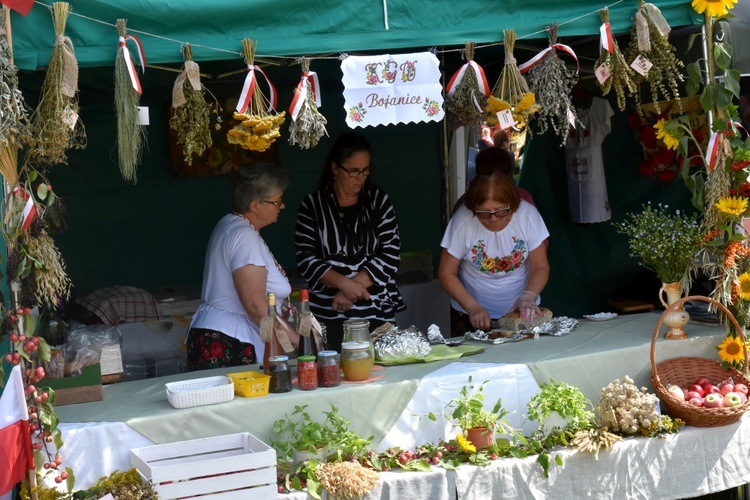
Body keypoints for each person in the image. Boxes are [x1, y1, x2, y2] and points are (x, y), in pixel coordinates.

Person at [295, 132, 405, 352]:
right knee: (331, 372)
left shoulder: (378, 201)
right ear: (335, 168)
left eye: (365, 171)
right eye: (353, 171)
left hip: (375, 311)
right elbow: (306, 259)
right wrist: (343, 284)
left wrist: (352, 289)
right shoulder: (313, 205)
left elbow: (391, 254)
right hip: (328, 312)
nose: (360, 177)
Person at [186, 163, 299, 371]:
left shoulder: (232, 224)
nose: (282, 207)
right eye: (277, 201)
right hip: (230, 339)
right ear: (255, 205)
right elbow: (256, 306)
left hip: (220, 333)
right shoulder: (244, 235)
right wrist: (294, 340)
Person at [439, 170, 550, 337]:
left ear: (512, 204)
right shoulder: (462, 220)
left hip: (522, 312)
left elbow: (540, 267)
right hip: (470, 313)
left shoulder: (527, 215)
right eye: (484, 213)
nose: (493, 219)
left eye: (500, 212)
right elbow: (446, 272)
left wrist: (528, 297)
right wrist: (473, 307)